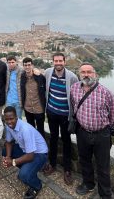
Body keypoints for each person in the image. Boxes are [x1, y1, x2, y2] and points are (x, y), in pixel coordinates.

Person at [71, 63, 114, 198]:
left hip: (101, 135)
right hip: (82, 132)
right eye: (83, 72)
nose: (86, 75)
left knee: (103, 167)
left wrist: (109, 129)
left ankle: (105, 194)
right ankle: (88, 184)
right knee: (84, 160)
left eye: (89, 72)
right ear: (79, 74)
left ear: (95, 74)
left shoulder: (106, 93)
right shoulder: (74, 89)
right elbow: (74, 106)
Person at [43, 52, 79, 185]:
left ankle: (67, 170)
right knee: (52, 138)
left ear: (65, 62)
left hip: (65, 115)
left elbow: (77, 95)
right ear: (53, 62)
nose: (58, 63)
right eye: (56, 61)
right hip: (51, 112)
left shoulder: (72, 77)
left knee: (66, 141)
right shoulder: (48, 72)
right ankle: (52, 164)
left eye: (60, 61)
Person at [2, 106, 48, 199]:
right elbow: (9, 142)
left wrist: (13, 162)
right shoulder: (8, 126)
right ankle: (29, 170)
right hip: (25, 150)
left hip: (39, 154)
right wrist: (8, 157)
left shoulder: (25, 129)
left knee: (23, 175)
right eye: (7, 119)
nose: (9, 122)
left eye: (11, 119)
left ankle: (36, 185)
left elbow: (30, 156)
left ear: (16, 117)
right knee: (5, 151)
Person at [20, 57, 46, 138]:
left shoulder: (39, 77)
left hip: (39, 108)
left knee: (41, 130)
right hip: (28, 108)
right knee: (30, 129)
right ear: (23, 66)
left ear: (32, 66)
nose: (27, 67)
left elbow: (45, 88)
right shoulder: (22, 77)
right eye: (25, 65)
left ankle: (42, 149)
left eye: (29, 65)